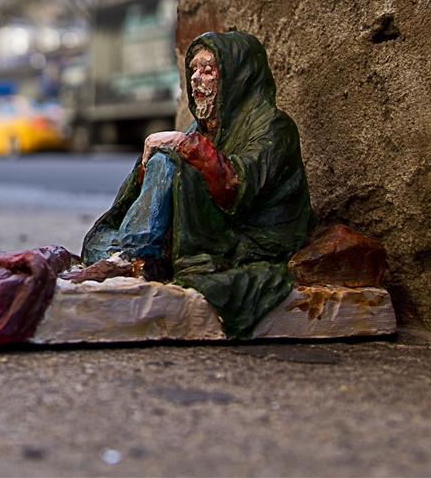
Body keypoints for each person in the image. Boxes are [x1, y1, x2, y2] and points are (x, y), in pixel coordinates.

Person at [80, 31, 315, 338]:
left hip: (249, 236)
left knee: (168, 161)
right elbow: (148, 192)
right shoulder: (201, 126)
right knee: (99, 241)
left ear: (238, 78)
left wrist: (182, 146)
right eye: (193, 70)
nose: (196, 79)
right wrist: (147, 164)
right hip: (204, 228)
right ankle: (137, 255)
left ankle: (135, 256)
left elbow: (236, 189)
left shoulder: (273, 126)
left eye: (208, 71)